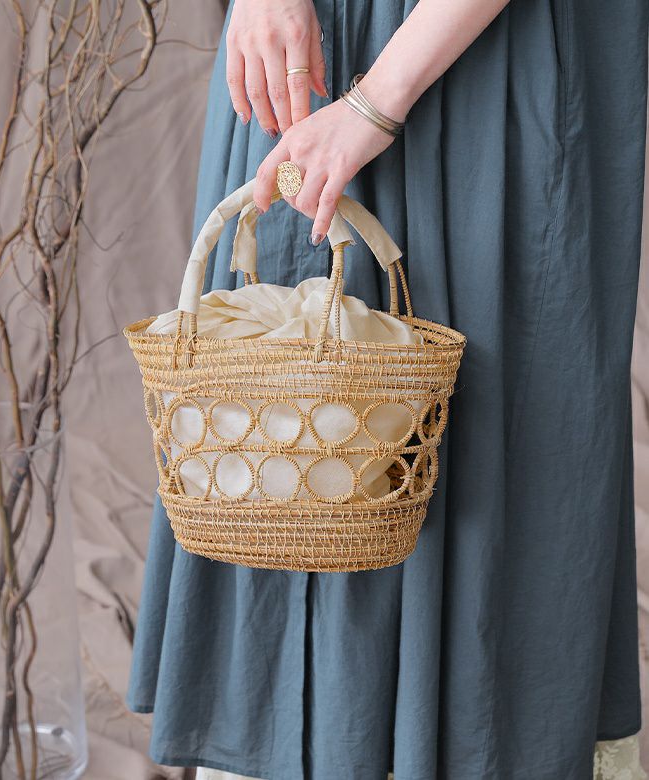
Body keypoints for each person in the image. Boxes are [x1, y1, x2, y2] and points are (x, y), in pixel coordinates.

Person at [126, 0, 649, 778]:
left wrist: (374, 105)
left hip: (496, 62)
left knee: (487, 448)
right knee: (276, 433)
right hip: (302, 44)